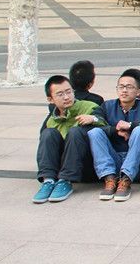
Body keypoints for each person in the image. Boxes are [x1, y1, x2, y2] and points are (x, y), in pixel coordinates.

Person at [33, 75, 106, 203]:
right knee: (48, 133)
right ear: (50, 99)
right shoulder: (51, 120)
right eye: (60, 94)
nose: (66, 97)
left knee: (75, 132)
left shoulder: (89, 107)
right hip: (62, 165)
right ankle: (48, 180)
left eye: (69, 92)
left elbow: (105, 125)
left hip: (86, 163)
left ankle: (65, 181)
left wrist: (93, 119)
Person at [87, 69, 140, 201]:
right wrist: (115, 130)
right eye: (121, 87)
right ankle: (109, 178)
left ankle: (126, 179)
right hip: (114, 159)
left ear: (138, 92)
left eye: (129, 87)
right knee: (94, 132)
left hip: (137, 162)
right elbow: (96, 121)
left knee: (139, 130)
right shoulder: (107, 106)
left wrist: (130, 126)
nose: (124, 90)